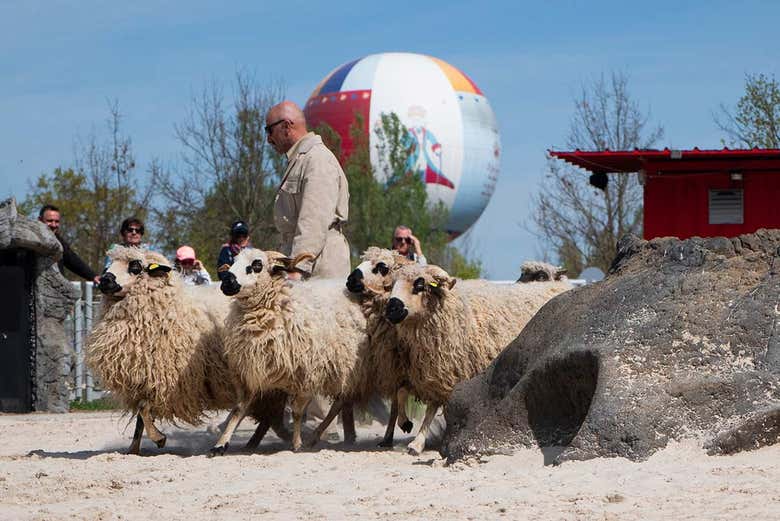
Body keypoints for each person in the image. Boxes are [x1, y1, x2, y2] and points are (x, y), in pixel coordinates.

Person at [266, 100, 350, 280]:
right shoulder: (302, 160)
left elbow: (314, 218)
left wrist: (298, 267)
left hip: (317, 268)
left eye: (269, 130)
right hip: (307, 263)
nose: (268, 139)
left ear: (286, 126)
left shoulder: (316, 159)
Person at [38, 204, 100, 284]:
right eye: (50, 221)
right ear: (40, 220)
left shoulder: (58, 241)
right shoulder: (29, 240)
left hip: (55, 290)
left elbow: (72, 259)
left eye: (57, 221)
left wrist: (93, 276)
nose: (54, 225)